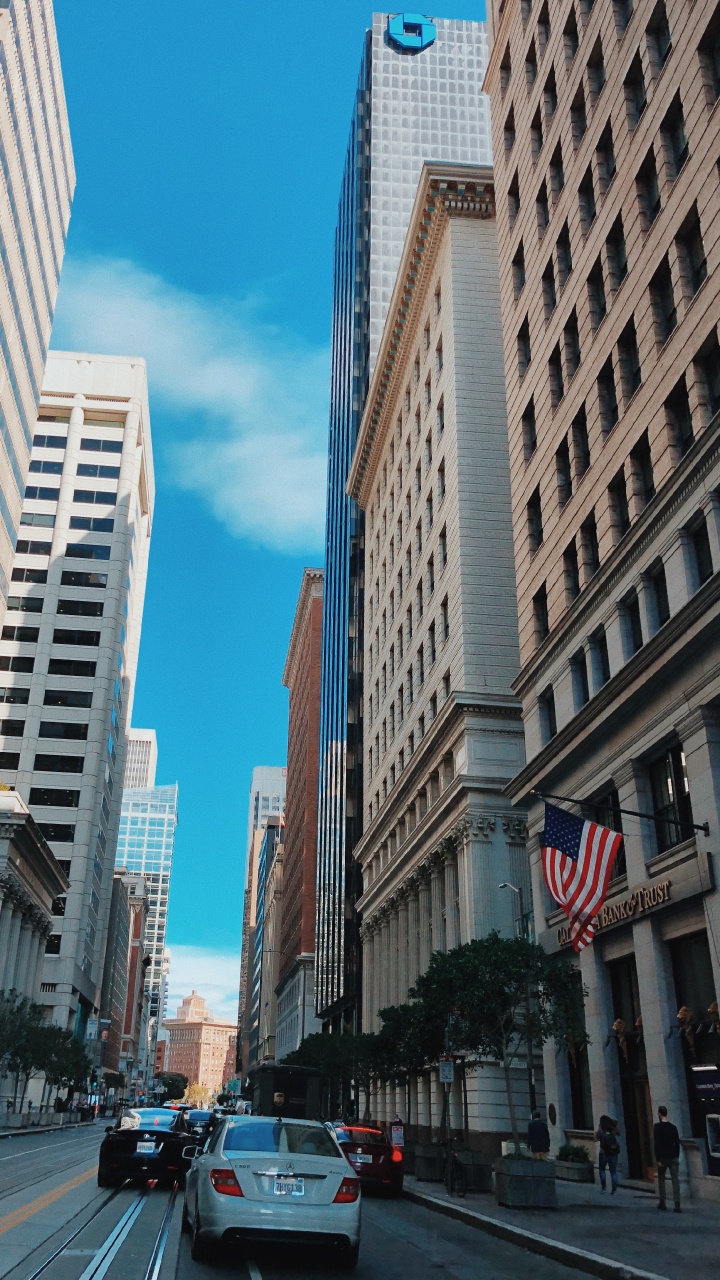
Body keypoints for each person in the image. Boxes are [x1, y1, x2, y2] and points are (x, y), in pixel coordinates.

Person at [653, 1106, 681, 1213]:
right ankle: (677, 1203)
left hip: (663, 1157)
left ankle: (663, 1201)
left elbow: (657, 1144)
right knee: (675, 1180)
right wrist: (676, 1155)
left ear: (659, 1114)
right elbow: (677, 1143)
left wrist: (658, 1158)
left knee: (661, 1179)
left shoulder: (657, 1127)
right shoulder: (673, 1127)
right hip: (673, 1155)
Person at [596, 1115, 621, 1194]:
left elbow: (595, 1139)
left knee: (602, 1170)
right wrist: (614, 1124)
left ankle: (604, 1188)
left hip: (603, 1152)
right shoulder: (612, 1129)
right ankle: (614, 1189)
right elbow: (618, 1133)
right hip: (613, 1153)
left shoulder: (601, 1130)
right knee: (613, 1172)